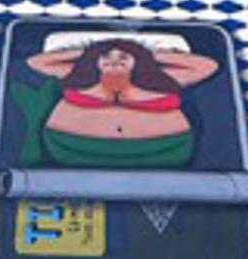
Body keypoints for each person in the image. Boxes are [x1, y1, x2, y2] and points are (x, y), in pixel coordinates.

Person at [13, 36, 218, 170]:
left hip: (163, 150)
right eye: (105, 56)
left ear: (137, 60)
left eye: (124, 56)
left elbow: (206, 67)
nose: (114, 59)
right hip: (73, 149)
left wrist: (145, 52)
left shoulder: (162, 78)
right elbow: (37, 62)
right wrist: (89, 51)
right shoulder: (76, 76)